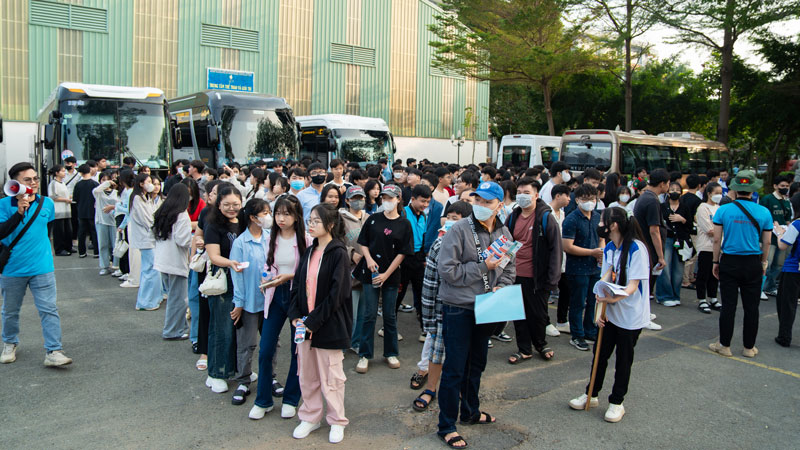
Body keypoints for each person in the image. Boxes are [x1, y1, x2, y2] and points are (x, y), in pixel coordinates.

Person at [435, 181, 516, 448]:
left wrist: (501, 286)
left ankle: (470, 412)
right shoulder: (458, 230)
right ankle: (446, 425)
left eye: (487, 202)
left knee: (477, 364)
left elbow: (508, 268)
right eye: (477, 200)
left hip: (489, 305)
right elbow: (447, 271)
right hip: (459, 307)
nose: (480, 206)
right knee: (455, 368)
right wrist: (483, 267)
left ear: (499, 205)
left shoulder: (504, 233)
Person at [568, 206, 651, 423]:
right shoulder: (609, 248)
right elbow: (605, 279)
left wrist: (614, 298)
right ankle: (591, 394)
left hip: (630, 316)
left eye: (603, 221)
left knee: (623, 360)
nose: (600, 225)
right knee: (600, 354)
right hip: (610, 313)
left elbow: (633, 285)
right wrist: (599, 310)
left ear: (613, 225)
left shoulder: (636, 249)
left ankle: (617, 402)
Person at [288, 204, 352, 444]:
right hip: (305, 325)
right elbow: (297, 285)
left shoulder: (338, 253)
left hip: (328, 324)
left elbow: (338, 293)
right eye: (310, 220)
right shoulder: (309, 251)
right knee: (307, 374)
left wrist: (314, 321)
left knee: (332, 376)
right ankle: (311, 416)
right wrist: (296, 316)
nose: (311, 224)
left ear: (330, 225)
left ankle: (337, 420)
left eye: (316, 221)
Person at [0, 162, 72, 366]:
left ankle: (54, 351)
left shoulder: (46, 203)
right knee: (10, 310)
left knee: (49, 309)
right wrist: (19, 213)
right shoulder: (3, 205)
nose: (33, 183)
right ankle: (10, 343)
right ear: (14, 183)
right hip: (12, 269)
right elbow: (2, 232)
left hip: (42, 267)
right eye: (27, 180)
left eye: (35, 179)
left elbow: (46, 230)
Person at [249, 196, 308, 420]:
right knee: (265, 350)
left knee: (298, 350)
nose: (281, 218)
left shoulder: (306, 239)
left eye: (287, 214)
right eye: (278, 213)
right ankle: (263, 400)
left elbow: (310, 271)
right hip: (274, 296)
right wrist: (266, 279)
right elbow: (267, 264)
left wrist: (288, 276)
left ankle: (291, 399)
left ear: (296, 216)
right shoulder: (269, 237)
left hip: (297, 297)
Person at [411, 201, 472, 412]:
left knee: (464, 354)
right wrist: (427, 318)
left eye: (458, 217)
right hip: (441, 310)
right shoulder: (440, 244)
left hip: (468, 309)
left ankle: (462, 390)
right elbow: (429, 285)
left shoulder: (477, 243)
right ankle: (430, 389)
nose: (452, 222)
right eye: (450, 216)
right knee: (436, 353)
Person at [709, 170, 772, 358]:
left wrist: (715, 261)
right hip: (753, 262)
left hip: (729, 260)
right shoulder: (764, 212)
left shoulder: (724, 210)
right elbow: (767, 242)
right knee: (752, 307)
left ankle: (725, 346)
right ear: (753, 191)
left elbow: (717, 239)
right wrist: (763, 262)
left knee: (728, 305)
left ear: (735, 189)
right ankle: (748, 348)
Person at [353, 185, 413, 374]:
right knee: (369, 314)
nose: (386, 200)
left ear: (398, 199)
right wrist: (369, 260)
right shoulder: (373, 219)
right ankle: (365, 354)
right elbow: (363, 243)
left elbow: (404, 252)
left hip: (391, 275)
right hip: (370, 272)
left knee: (390, 315)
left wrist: (387, 274)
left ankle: (391, 353)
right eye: (384, 197)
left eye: (390, 197)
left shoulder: (404, 224)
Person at [506, 177, 562, 363]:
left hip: (537, 276)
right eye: (519, 193)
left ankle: (541, 344)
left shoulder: (545, 217)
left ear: (536, 195)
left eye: (526, 193)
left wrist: (553, 279)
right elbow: (504, 243)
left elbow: (556, 249)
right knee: (517, 314)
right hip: (514, 274)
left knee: (538, 314)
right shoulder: (512, 216)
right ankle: (524, 349)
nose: (522, 196)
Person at [229, 198, 271, 406]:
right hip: (249, 301)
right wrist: (239, 302)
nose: (269, 216)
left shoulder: (270, 238)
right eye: (265, 213)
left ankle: (269, 376)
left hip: (270, 300)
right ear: (253, 217)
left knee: (271, 342)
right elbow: (236, 275)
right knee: (247, 344)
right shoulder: (240, 243)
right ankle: (244, 380)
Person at [204, 184, 245, 393]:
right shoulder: (213, 226)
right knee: (222, 329)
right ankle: (216, 372)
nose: (232, 208)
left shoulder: (244, 222)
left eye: (236, 204)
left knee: (238, 329)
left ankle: (236, 369)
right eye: (227, 204)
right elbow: (214, 256)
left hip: (243, 281)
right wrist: (231, 263)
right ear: (219, 204)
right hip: (224, 282)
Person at [562, 184, 603, 351]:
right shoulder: (571, 219)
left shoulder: (597, 216)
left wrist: (600, 250)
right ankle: (577, 335)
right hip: (577, 268)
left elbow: (602, 237)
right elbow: (568, 246)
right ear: (577, 199)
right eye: (585, 199)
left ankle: (589, 330)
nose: (589, 202)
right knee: (578, 302)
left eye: (592, 199)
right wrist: (591, 252)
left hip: (594, 267)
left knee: (593, 301)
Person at [152, 183, 192, 340]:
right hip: (175, 261)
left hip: (162, 260)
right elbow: (183, 240)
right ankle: (171, 331)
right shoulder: (181, 215)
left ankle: (180, 327)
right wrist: (195, 239)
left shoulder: (162, 212)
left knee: (174, 296)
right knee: (178, 299)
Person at [399, 184, 432, 338]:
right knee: (398, 295)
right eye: (422, 201)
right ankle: (387, 329)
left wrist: (424, 257)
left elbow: (424, 236)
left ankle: (424, 329)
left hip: (418, 259)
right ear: (412, 199)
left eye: (428, 202)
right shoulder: (402, 213)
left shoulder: (424, 215)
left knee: (421, 295)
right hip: (403, 258)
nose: (425, 205)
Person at [339, 186, 369, 354]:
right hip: (349, 271)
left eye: (361, 197)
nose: (359, 201)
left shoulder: (370, 218)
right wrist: (351, 254)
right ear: (348, 200)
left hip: (367, 270)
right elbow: (336, 242)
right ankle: (344, 342)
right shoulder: (341, 219)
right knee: (351, 312)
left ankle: (356, 342)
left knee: (364, 312)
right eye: (355, 198)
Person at [633, 168, 669, 293]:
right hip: (648, 249)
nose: (668, 186)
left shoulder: (645, 197)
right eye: (668, 183)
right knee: (646, 286)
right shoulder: (652, 200)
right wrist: (660, 256)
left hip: (643, 246)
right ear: (662, 184)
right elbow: (654, 230)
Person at [129, 173, 161, 311]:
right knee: (150, 270)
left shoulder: (144, 198)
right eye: (148, 182)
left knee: (149, 270)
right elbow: (147, 219)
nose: (151, 185)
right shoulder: (137, 198)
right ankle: (146, 301)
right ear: (141, 184)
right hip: (146, 239)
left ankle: (151, 299)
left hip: (148, 238)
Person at [655, 182, 690, 307]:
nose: (675, 191)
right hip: (667, 240)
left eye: (677, 189)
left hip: (681, 241)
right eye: (672, 189)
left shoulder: (685, 207)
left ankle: (676, 295)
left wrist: (683, 220)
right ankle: (664, 296)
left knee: (678, 270)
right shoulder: (662, 207)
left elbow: (690, 225)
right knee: (666, 268)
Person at [760, 175, 792, 299]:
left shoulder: (786, 201)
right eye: (782, 186)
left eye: (787, 186)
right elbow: (762, 217)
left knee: (779, 264)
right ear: (775, 186)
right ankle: (760, 287)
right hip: (770, 237)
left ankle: (770, 287)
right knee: (766, 263)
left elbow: (788, 218)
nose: (785, 188)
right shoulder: (768, 199)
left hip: (782, 237)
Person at [694, 182, 723, 313]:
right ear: (709, 193)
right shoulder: (703, 208)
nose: (719, 196)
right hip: (706, 246)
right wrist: (721, 232)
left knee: (715, 274)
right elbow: (709, 229)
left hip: (718, 247)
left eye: (721, 193)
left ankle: (713, 298)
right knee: (703, 274)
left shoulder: (720, 208)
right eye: (716, 193)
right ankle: (701, 299)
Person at [775, 207, 800, 347]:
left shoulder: (797, 224)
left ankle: (784, 337)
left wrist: (779, 234)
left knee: (787, 304)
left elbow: (783, 246)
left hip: (794, 269)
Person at [549, 184, 572, 334]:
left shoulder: (563, 214)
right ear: (558, 196)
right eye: (567, 196)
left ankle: (562, 321)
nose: (569, 199)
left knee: (566, 289)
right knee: (545, 291)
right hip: (550, 260)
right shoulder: (546, 213)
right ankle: (545, 322)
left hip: (562, 259)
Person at [92, 172, 118, 275]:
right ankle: (104, 266)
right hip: (101, 221)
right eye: (103, 180)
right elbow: (96, 189)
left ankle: (116, 265)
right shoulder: (98, 193)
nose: (106, 182)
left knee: (115, 245)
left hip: (114, 222)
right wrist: (107, 183)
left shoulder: (116, 192)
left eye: (108, 179)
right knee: (103, 244)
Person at [113, 170, 136, 285]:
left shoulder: (129, 192)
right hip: (127, 222)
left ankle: (128, 271)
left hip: (129, 223)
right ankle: (126, 270)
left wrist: (117, 206)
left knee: (127, 247)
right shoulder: (130, 191)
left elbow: (128, 210)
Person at [72, 164, 99, 258]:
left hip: (81, 211)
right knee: (94, 232)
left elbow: (75, 198)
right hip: (93, 211)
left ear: (81, 173)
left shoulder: (78, 185)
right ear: (89, 171)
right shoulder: (95, 184)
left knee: (81, 232)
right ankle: (96, 252)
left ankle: (82, 252)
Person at [47, 164, 73, 256]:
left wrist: (70, 197)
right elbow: (53, 197)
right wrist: (66, 199)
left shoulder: (63, 183)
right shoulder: (53, 183)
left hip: (66, 210)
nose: (64, 172)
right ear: (57, 173)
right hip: (58, 211)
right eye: (62, 171)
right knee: (59, 232)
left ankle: (68, 247)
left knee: (68, 231)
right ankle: (59, 249)